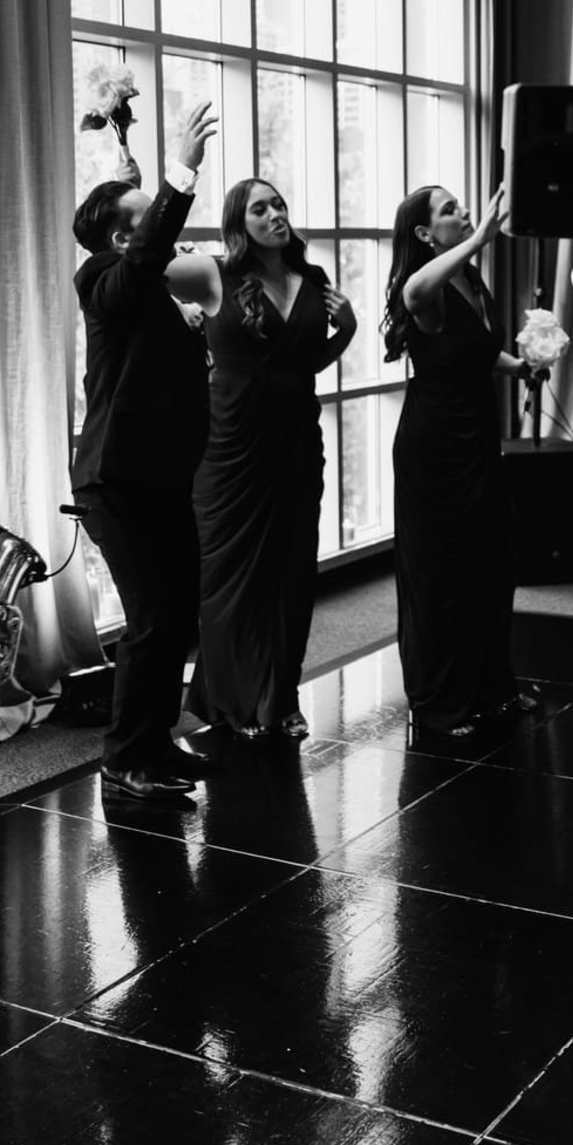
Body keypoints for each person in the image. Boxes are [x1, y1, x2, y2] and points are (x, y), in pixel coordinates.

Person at [71, 99, 221, 802]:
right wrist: (179, 175)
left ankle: (156, 742)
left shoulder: (150, 293)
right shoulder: (102, 280)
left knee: (177, 617)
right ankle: (125, 758)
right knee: (154, 621)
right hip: (119, 481)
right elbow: (148, 253)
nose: (159, 230)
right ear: (116, 236)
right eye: (142, 218)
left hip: (161, 476)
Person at [182, 178, 358, 739]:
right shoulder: (214, 273)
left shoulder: (313, 279)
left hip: (296, 443)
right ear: (239, 223)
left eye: (279, 203)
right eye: (260, 208)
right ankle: (236, 703)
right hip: (229, 446)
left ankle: (280, 697)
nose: (275, 214)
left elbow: (303, 364)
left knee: (291, 573)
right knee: (232, 575)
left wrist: (347, 330)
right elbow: (138, 273)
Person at [383, 183, 540, 737]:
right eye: (451, 210)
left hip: (478, 437)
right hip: (434, 448)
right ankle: (437, 701)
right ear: (426, 233)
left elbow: (475, 347)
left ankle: (492, 685)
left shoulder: (470, 279)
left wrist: (518, 367)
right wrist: (478, 239)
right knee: (441, 575)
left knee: (491, 566)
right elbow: (412, 290)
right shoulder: (427, 287)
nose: (465, 211)